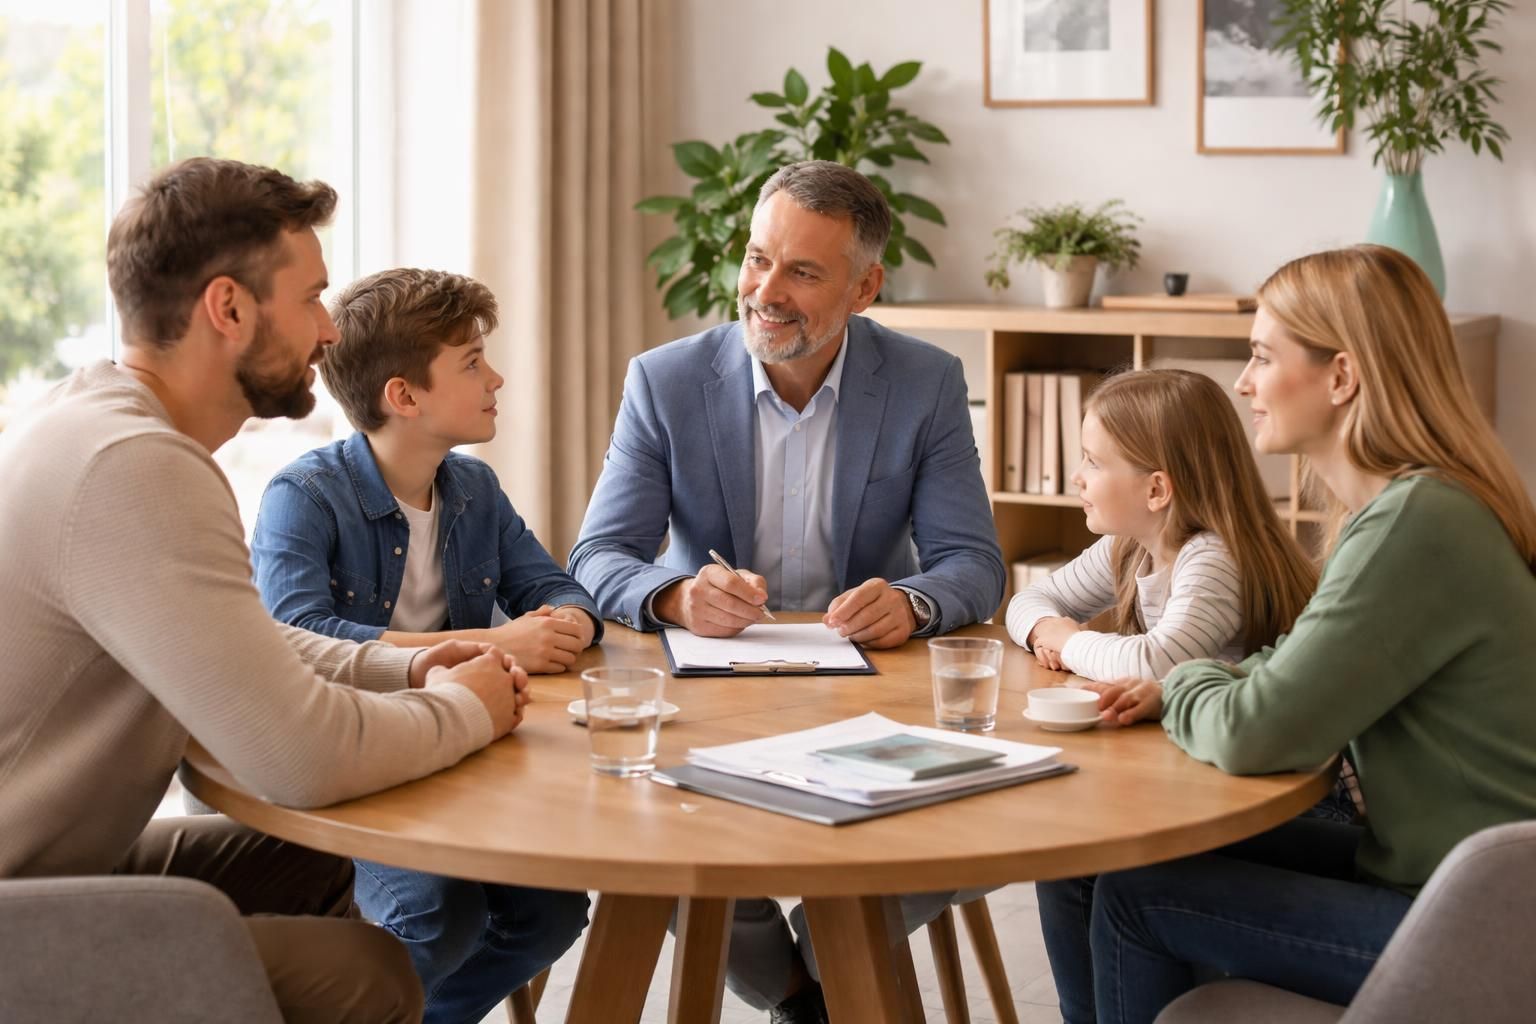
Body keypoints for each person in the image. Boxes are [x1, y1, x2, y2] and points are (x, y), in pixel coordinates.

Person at [0, 156, 530, 1024]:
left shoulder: (91, 420)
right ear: (230, 308)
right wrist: (469, 709)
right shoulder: (134, 466)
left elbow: (231, 640)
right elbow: (299, 760)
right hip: (19, 913)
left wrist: (406, 669)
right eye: (313, 297)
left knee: (312, 866)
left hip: (41, 871)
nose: (329, 332)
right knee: (365, 972)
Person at [1039, 245, 1536, 1024]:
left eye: (1263, 357)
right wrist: (1207, 683)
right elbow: (1294, 664)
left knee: (1136, 895)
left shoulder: (1417, 522)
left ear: (1341, 377)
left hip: (1480, 924)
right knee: (1083, 865)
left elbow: (1258, 732)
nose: (1243, 384)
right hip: (1435, 877)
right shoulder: (1414, 508)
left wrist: (1181, 681)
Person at [569, 160, 1004, 1022]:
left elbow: (974, 563)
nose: (767, 290)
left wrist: (912, 602)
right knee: (649, 830)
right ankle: (810, 997)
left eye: (804, 271)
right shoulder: (665, 381)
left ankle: (813, 979)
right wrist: (675, 596)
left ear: (866, 286)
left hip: (881, 700)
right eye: (758, 258)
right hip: (711, 694)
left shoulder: (925, 384)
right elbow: (599, 554)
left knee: (991, 819)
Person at [250, 268, 595, 1023]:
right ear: (403, 396)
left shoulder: (475, 488)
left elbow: (557, 587)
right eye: (471, 363)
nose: (496, 377)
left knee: (556, 912)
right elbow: (295, 636)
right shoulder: (303, 498)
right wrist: (494, 640)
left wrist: (569, 621)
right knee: (440, 914)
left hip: (468, 750)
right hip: (354, 759)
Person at [1006, 368, 1317, 705]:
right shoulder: (1128, 546)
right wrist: (1044, 630)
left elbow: (1156, 664)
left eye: (1093, 462)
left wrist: (1068, 643)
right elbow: (1027, 599)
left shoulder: (1214, 559)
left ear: (1156, 489)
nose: (1076, 476)